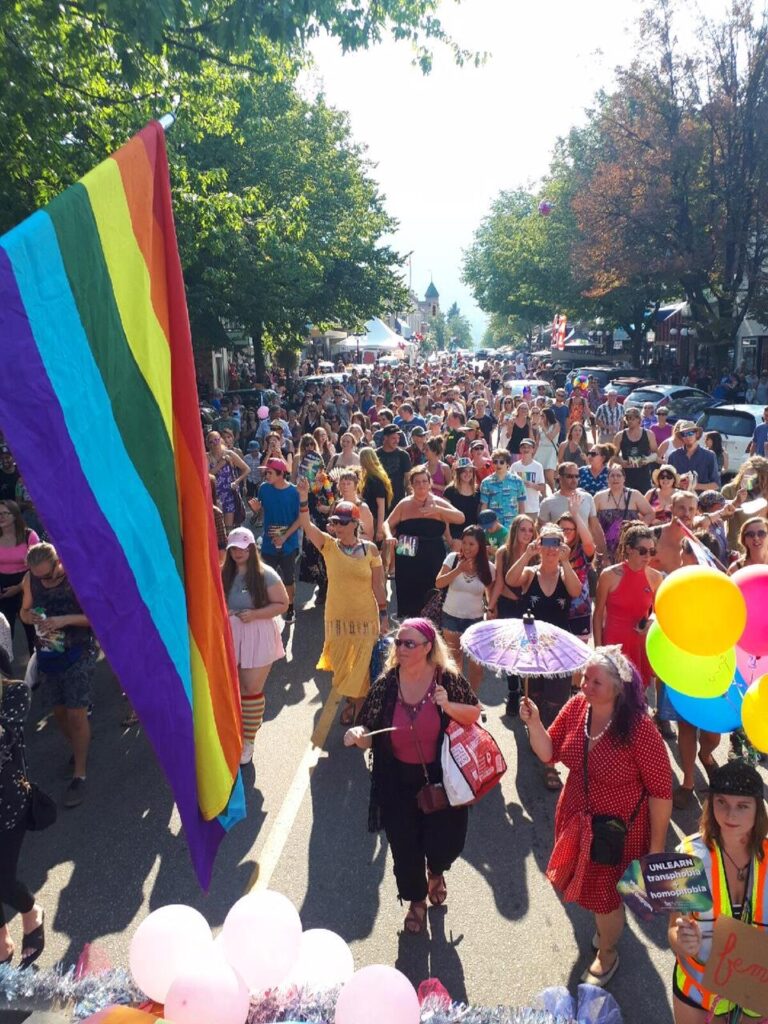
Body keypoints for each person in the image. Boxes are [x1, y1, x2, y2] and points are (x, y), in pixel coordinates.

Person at [520, 646, 672, 988]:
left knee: (603, 896)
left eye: (595, 682)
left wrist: (657, 848)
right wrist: (533, 723)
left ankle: (608, 951)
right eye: (584, 677)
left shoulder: (639, 729)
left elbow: (662, 792)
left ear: (619, 688)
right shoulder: (577, 707)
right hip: (576, 817)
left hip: (615, 831)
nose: (584, 686)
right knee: (591, 889)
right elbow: (548, 752)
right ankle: (607, 927)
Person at [344, 618, 481, 934]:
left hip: (442, 776)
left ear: (427, 648)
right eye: (398, 643)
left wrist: (448, 705)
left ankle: (436, 870)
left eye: (409, 643)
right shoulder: (386, 684)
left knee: (445, 841)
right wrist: (358, 734)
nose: (400, 648)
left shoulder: (447, 679)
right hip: (397, 779)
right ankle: (416, 901)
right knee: (404, 846)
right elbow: (370, 730)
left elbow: (473, 713)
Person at [668, 762, 767, 1023]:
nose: (730, 815)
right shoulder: (690, 857)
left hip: (757, 990)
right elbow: (672, 931)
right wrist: (681, 940)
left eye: (742, 806)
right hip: (698, 989)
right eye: (721, 802)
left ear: (758, 809)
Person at [298, 481, 388, 725]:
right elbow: (306, 525)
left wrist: (384, 615)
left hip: (365, 619)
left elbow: (378, 585)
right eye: (334, 522)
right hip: (337, 619)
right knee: (342, 670)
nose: (336, 526)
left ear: (355, 524)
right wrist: (304, 498)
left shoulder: (370, 550)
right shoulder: (328, 545)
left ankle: (358, 711)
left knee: (361, 668)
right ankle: (352, 701)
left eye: (341, 522)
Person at [505, 523, 583, 788]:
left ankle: (550, 765)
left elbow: (575, 591)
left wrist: (567, 562)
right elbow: (510, 580)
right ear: (539, 545)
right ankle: (538, 736)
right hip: (531, 648)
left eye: (556, 543)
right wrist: (527, 554)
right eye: (546, 543)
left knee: (557, 701)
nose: (551, 549)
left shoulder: (565, 574)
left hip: (558, 649)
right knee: (534, 696)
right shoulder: (529, 573)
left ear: (563, 547)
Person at [20, 542, 95, 808]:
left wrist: (64, 620)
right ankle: (79, 745)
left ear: (57, 562)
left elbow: (95, 617)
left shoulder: (75, 574)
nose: (43, 579)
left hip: (78, 649)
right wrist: (34, 618)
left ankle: (80, 773)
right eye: (37, 575)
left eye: (47, 574)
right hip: (48, 653)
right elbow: (24, 612)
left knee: (76, 713)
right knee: (60, 713)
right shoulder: (31, 579)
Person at [222, 528, 288, 765]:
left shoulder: (265, 573)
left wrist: (256, 614)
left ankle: (248, 741)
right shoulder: (222, 573)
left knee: (251, 689)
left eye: (242, 546)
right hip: (230, 636)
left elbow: (282, 603)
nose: (238, 552)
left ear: (251, 547)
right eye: (233, 548)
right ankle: (238, 732)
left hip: (258, 635)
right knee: (235, 689)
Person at [0, 676, 46, 968]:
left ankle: (31, 912)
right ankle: (2, 941)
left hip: (7, 807)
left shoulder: (14, 692)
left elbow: (6, 741)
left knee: (3, 880)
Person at [384, 467, 464, 619]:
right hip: (407, 555)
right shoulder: (404, 504)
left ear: (430, 483)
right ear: (411, 485)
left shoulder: (438, 502)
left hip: (432, 556)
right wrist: (389, 535)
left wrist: (439, 510)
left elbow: (460, 518)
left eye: (424, 481)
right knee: (409, 599)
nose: (421, 485)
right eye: (417, 482)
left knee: (432, 595)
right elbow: (387, 523)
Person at [592, 523, 663, 687]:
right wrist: (598, 649)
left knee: (638, 694)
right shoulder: (609, 575)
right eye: (642, 551)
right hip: (613, 644)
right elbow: (598, 614)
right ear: (629, 549)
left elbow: (658, 612)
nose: (647, 556)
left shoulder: (655, 577)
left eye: (651, 551)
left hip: (640, 644)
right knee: (614, 694)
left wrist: (651, 621)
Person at [435, 525, 495, 692]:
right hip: (451, 616)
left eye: (472, 544)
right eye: (465, 543)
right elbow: (439, 582)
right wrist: (458, 570)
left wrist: (490, 609)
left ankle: (473, 696)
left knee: (477, 664)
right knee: (455, 660)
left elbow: (491, 592)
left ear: (480, 546)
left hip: (475, 620)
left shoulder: (489, 567)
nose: (467, 548)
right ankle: (457, 694)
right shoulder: (453, 558)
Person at [247, 458, 301, 623]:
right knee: (265, 576)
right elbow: (261, 514)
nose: (266, 475)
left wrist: (285, 536)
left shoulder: (294, 492)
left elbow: (300, 519)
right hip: (269, 542)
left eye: (269, 472)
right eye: (266, 472)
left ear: (280, 474)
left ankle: (290, 608)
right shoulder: (264, 489)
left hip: (289, 543)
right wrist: (257, 511)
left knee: (288, 578)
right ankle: (267, 606)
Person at [539, 463, 608, 558]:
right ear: (559, 477)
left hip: (583, 552)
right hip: (557, 552)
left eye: (577, 476)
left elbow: (595, 527)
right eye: (570, 476)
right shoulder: (548, 502)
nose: (574, 480)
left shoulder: (587, 498)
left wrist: (604, 555)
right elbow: (541, 532)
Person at [0, 501, 38, 657]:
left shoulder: (29, 535)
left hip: (28, 584)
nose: (1, 517)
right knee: (4, 634)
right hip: (2, 586)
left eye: (5, 513)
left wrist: (19, 587)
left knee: (33, 634)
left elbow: (38, 565)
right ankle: (5, 676)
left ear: (15, 516)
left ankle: (37, 674)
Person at [594, 465, 655, 562]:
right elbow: (591, 519)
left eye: (618, 476)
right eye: (612, 476)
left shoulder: (635, 495)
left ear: (624, 478)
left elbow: (650, 513)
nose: (615, 478)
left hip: (629, 545)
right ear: (607, 479)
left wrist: (638, 530)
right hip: (605, 547)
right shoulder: (599, 497)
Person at [557, 511, 596, 639]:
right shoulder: (551, 549)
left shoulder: (582, 551)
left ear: (576, 531)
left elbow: (589, 542)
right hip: (557, 608)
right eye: (562, 529)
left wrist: (576, 512)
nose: (565, 532)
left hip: (579, 611)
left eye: (569, 529)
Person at [207, 431, 250, 529]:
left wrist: (237, 481)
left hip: (229, 493)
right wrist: (221, 464)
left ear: (220, 440)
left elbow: (247, 469)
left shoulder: (229, 454)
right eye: (211, 441)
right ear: (208, 444)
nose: (215, 443)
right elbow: (207, 475)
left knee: (228, 528)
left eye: (217, 440)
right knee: (217, 527)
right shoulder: (207, 457)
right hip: (214, 495)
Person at [612, 406, 658, 494]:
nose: (629, 421)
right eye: (627, 418)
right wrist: (622, 462)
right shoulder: (620, 435)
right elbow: (613, 456)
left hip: (644, 475)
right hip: (626, 475)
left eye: (632, 418)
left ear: (638, 420)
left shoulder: (648, 434)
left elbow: (656, 453)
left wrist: (647, 460)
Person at [479, 449, 527, 529]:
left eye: (501, 462)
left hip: (512, 526)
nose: (498, 465)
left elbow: (521, 504)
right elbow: (484, 505)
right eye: (495, 462)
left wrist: (522, 523)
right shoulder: (486, 482)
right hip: (493, 527)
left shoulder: (517, 481)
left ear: (507, 464)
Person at [668, 421, 720, 492]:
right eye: (684, 434)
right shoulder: (673, 456)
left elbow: (716, 485)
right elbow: (666, 481)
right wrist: (679, 483)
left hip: (702, 500)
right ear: (681, 437)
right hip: (679, 498)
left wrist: (694, 485)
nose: (687, 436)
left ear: (697, 434)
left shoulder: (709, 455)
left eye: (690, 433)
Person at [443, 458, 481, 551]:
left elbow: (479, 515)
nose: (468, 474)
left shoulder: (477, 491)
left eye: (470, 471)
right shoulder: (450, 491)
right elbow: (444, 517)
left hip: (472, 536)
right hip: (455, 536)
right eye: (464, 471)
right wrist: (449, 539)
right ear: (458, 473)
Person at [358, 446, 393, 544]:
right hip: (368, 518)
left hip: (375, 520)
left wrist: (379, 530)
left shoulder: (376, 480)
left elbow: (381, 506)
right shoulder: (369, 477)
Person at [333, 469, 374, 542]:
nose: (345, 486)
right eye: (343, 483)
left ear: (355, 486)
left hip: (357, 549)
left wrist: (349, 536)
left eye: (348, 483)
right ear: (339, 486)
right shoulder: (336, 505)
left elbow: (369, 536)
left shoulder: (363, 508)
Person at [376, 424, 412, 507]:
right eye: (393, 438)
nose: (397, 441)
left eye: (398, 438)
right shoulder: (375, 455)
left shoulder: (403, 455)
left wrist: (410, 499)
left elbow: (408, 481)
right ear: (385, 438)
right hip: (378, 500)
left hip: (398, 501)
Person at [511, 438, 545, 517]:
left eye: (528, 447)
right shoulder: (514, 466)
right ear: (520, 449)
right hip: (516, 507)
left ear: (533, 450)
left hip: (532, 508)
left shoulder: (538, 466)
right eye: (523, 447)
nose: (526, 449)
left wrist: (532, 485)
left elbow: (542, 487)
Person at [536, 407, 561, 492]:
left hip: (550, 451)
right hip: (541, 450)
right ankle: (543, 494)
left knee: (549, 475)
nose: (541, 417)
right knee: (540, 474)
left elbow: (551, 437)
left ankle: (553, 491)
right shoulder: (541, 426)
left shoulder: (556, 425)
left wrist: (544, 428)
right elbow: (538, 440)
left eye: (543, 415)